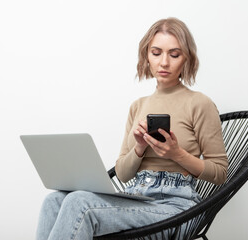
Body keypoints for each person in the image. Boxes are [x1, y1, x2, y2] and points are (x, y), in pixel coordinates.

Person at [36, 17, 228, 240]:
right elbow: (124, 174)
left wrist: (178, 154)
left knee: (81, 204)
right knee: (54, 200)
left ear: (187, 58)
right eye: (156, 53)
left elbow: (220, 173)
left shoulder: (200, 103)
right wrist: (139, 148)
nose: (164, 62)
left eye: (174, 54)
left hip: (177, 208)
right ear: (146, 56)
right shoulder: (138, 106)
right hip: (137, 198)